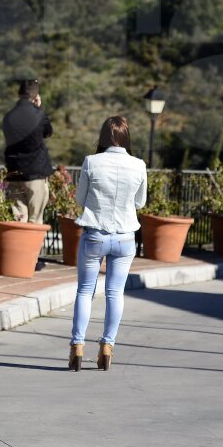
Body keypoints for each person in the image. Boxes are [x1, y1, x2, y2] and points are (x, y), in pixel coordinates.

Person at [68, 115, 147, 372]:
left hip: (95, 234)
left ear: (102, 137)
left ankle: (77, 347)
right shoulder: (139, 165)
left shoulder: (91, 162)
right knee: (115, 293)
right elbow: (140, 203)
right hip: (125, 237)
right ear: (127, 138)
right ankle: (107, 347)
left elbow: (80, 199)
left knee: (85, 291)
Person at [2, 79, 54, 224]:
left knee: (18, 221)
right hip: (35, 174)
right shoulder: (39, 115)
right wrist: (38, 108)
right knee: (35, 222)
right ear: (36, 96)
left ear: (19, 94)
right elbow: (48, 132)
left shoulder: (8, 117)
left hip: (14, 173)